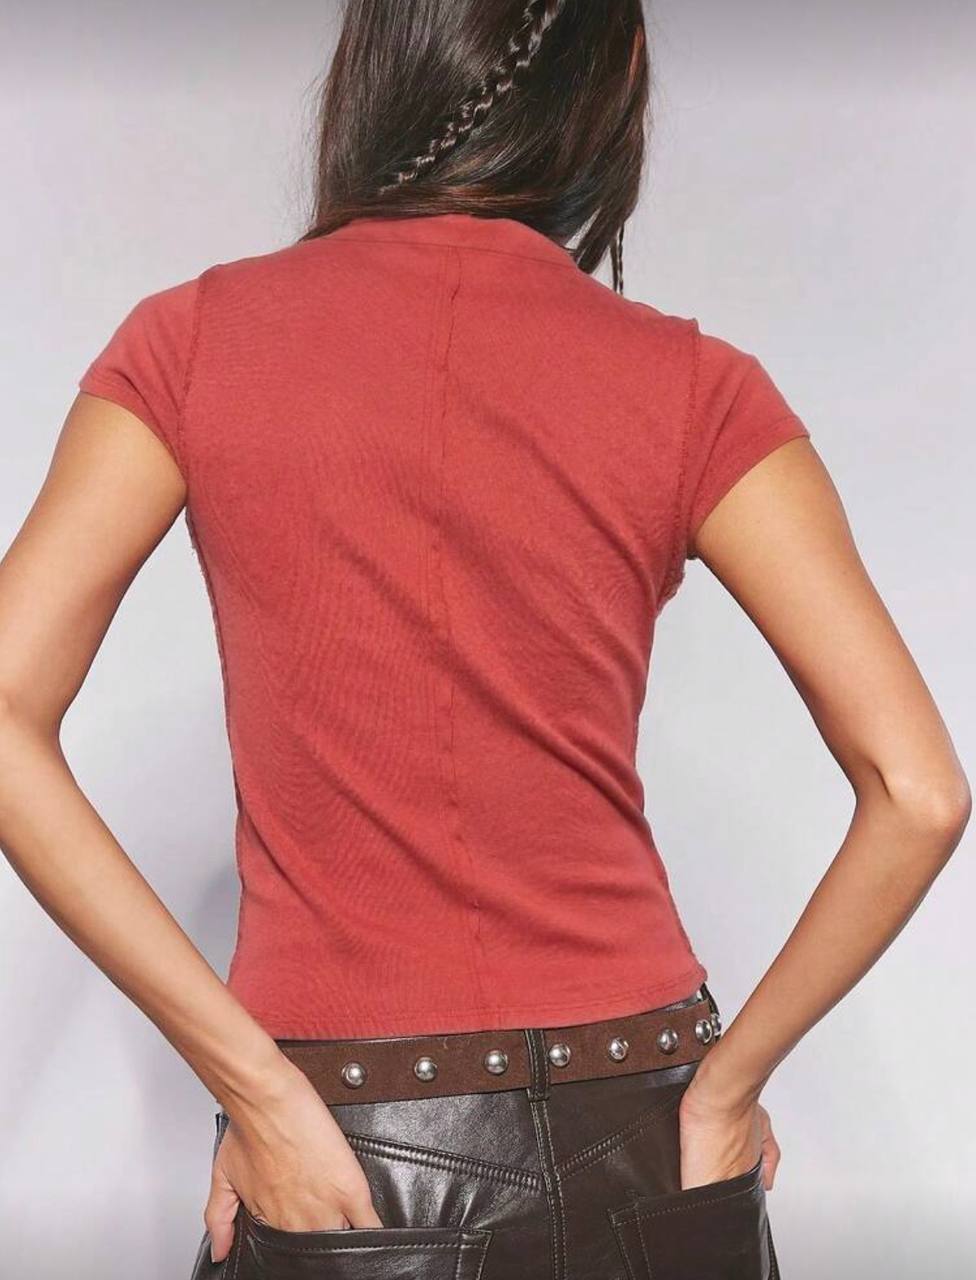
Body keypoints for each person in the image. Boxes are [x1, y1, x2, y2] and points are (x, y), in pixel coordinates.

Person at [0, 2, 969, 1277]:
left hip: (346, 1149)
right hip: (647, 1123)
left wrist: (261, 1091)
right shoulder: (700, 386)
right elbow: (918, 790)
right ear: (604, 96)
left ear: (381, 68)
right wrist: (729, 1086)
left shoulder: (190, 342)